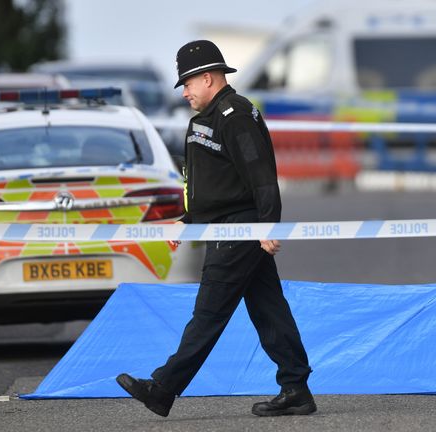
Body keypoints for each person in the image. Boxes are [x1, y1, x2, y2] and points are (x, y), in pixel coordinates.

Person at [116, 40, 315, 418]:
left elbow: (261, 177)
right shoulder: (204, 120)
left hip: (240, 230)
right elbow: (212, 185)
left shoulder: (235, 115)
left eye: (188, 84)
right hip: (224, 228)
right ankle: (296, 388)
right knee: (269, 310)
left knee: (208, 313)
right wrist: (188, 221)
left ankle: (163, 388)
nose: (185, 92)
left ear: (207, 78)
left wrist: (267, 225)